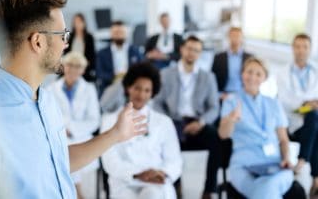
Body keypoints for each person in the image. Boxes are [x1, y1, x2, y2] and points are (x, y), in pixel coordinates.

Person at [0, 0, 147, 199]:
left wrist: (115, 134)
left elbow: (57, 161)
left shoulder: (46, 101)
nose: (66, 43)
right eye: (62, 34)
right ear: (38, 42)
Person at [101, 62, 182, 199]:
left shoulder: (164, 122)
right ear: (128, 88)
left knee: (153, 195)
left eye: (147, 90)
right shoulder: (110, 120)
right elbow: (110, 161)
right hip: (124, 182)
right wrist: (138, 173)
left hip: (156, 182)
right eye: (137, 88)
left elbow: (174, 160)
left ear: (153, 92)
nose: (141, 94)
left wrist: (161, 173)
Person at [153, 36, 221, 199]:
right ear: (182, 49)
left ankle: (208, 190)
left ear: (200, 54)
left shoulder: (207, 77)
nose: (192, 53)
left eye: (196, 50)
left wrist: (201, 122)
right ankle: (175, 186)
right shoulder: (166, 74)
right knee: (165, 140)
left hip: (197, 121)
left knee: (217, 139)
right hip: (173, 120)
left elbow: (214, 107)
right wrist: (167, 122)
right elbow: (157, 103)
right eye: (189, 48)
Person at [218, 57, 294, 199]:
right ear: (242, 74)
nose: (253, 77)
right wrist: (231, 119)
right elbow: (223, 134)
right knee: (267, 189)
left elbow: (283, 139)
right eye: (249, 72)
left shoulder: (273, 103)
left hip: (275, 163)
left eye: (258, 74)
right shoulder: (231, 101)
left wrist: (286, 158)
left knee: (269, 186)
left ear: (264, 78)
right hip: (243, 165)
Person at [48, 52, 100, 199]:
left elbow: (94, 120)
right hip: (61, 140)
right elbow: (51, 117)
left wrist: (72, 129)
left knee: (84, 187)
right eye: (70, 65)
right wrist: (64, 130)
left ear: (83, 70)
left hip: (84, 141)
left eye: (78, 66)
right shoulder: (52, 89)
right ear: (64, 66)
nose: (73, 69)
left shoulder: (89, 89)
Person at [277, 33, 318, 197]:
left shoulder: (316, 71)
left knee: (314, 119)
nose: (301, 51)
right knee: (314, 118)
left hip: (311, 122)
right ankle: (315, 178)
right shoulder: (282, 73)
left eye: (305, 47)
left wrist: (309, 104)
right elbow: (285, 101)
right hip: (291, 124)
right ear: (293, 49)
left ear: (310, 49)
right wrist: (306, 104)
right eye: (298, 47)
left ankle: (303, 165)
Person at [96, 20, 143, 96]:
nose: (118, 35)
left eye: (121, 32)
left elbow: (142, 69)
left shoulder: (135, 51)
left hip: (132, 87)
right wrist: (114, 77)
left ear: (126, 34)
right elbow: (99, 73)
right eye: (116, 33)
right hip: (109, 87)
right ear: (111, 34)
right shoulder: (102, 53)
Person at [211, 27, 252, 100]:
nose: (235, 38)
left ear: (242, 38)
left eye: (238, 36)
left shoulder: (249, 58)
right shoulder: (218, 57)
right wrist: (219, 94)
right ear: (228, 37)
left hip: (243, 95)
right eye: (232, 36)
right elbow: (212, 78)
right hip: (223, 95)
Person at [64, 13, 96, 82]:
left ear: (84, 23)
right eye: (75, 22)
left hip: (84, 67)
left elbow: (92, 56)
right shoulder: (70, 37)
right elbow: (65, 53)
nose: (77, 24)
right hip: (70, 66)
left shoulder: (89, 37)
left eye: (79, 22)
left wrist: (83, 66)